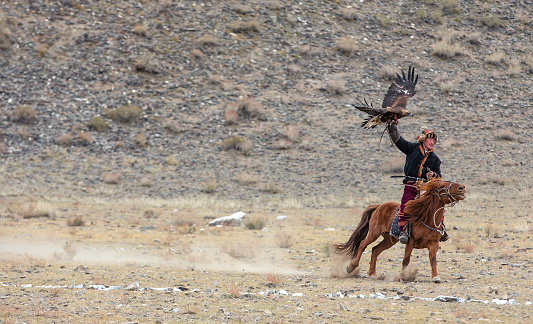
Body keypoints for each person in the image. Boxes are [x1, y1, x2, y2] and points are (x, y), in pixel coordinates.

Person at [388, 123, 447, 244]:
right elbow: (398, 140)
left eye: (434, 141)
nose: (432, 142)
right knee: (406, 203)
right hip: (411, 184)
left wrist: (433, 176)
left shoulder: (435, 159)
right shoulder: (412, 148)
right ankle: (404, 230)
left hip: (426, 186)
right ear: (424, 140)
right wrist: (392, 127)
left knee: (438, 203)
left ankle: (441, 228)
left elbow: (439, 175)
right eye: (430, 139)